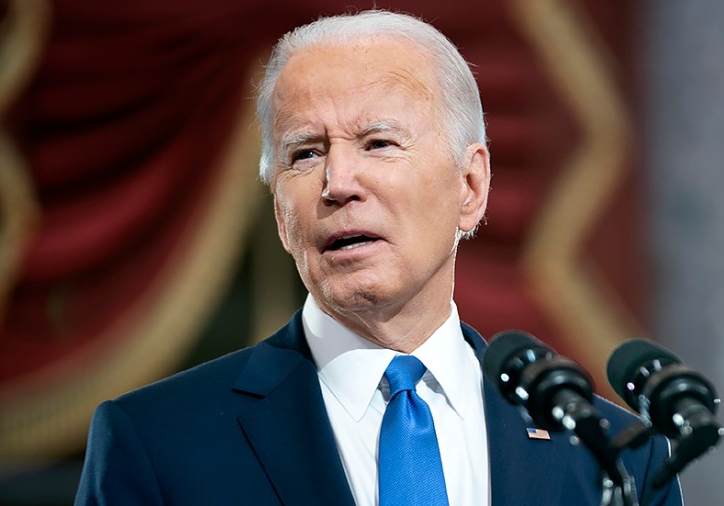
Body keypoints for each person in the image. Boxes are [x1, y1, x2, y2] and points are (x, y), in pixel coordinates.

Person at [75, 10, 683, 506]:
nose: (338, 182)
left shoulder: (613, 457)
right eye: (306, 154)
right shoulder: (157, 444)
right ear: (280, 211)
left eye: (379, 143)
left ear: (470, 188)